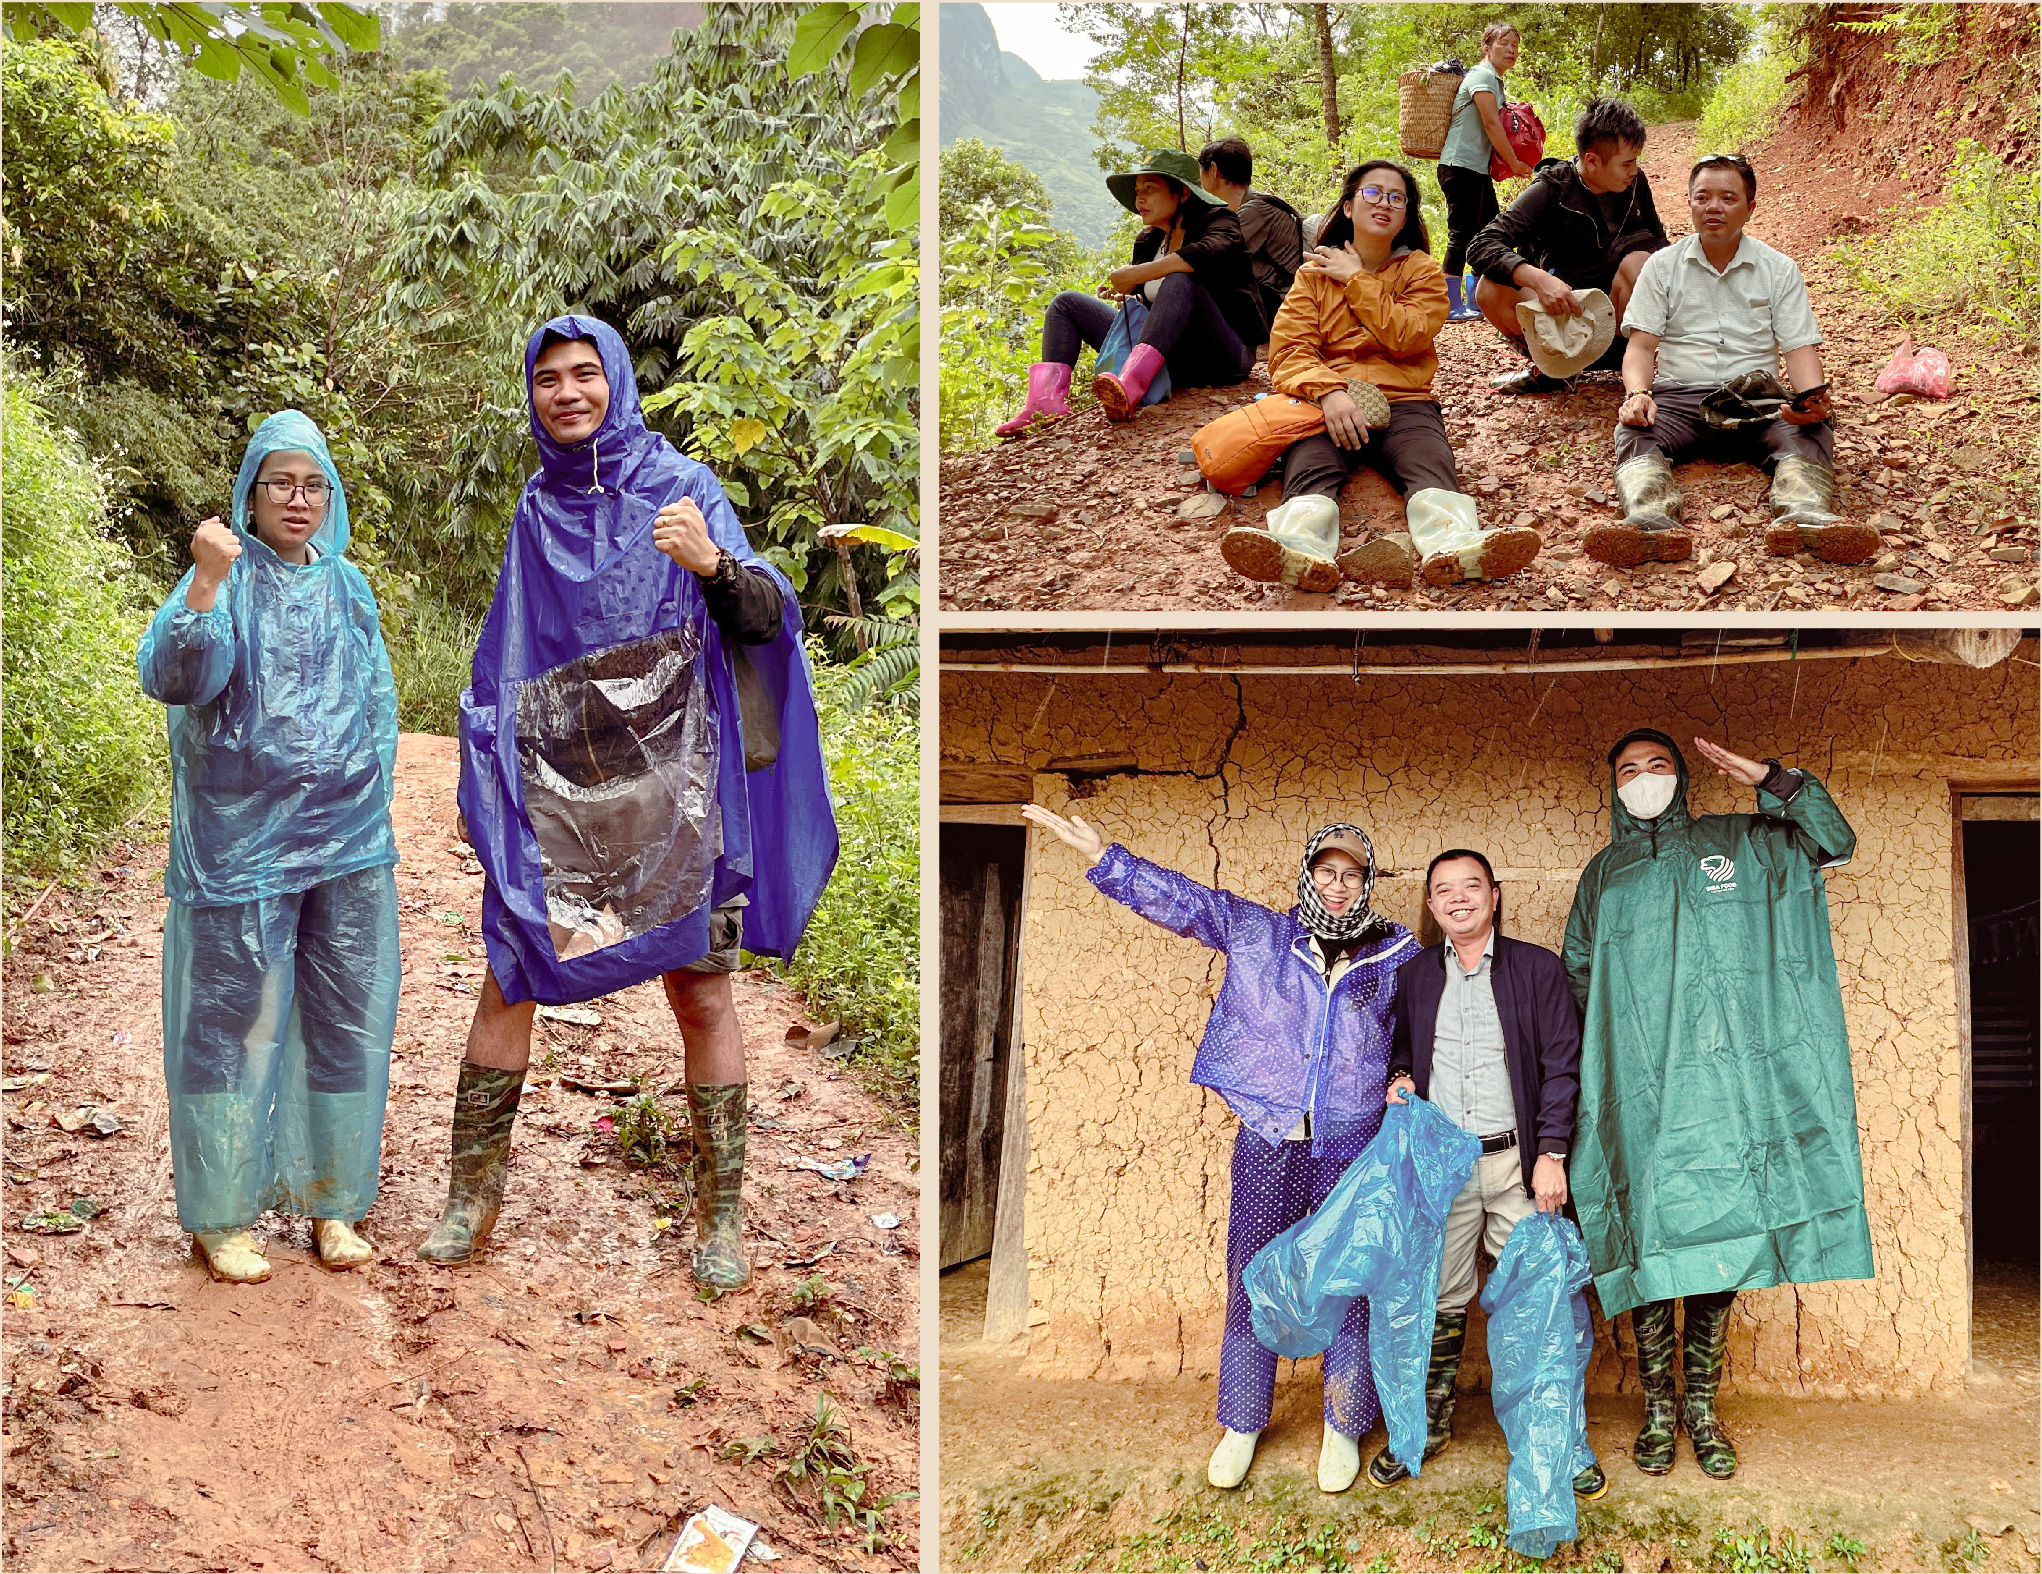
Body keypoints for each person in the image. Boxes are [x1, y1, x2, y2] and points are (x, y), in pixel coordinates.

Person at [419, 316, 838, 1292]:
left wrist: (710, 563)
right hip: (571, 792)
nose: (567, 393)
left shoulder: (683, 486)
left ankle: (719, 1216)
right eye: (548, 379)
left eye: (583, 374)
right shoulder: (535, 508)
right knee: (510, 969)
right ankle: (468, 1199)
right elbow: (510, 655)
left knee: (698, 991)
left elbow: (770, 614)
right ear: (532, 397)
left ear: (615, 380)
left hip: (683, 790)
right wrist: (490, 778)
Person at [1019, 806, 1418, 1496]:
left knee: (1351, 1276)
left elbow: (1416, 1030)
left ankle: (1345, 1423)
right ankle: (1241, 1420)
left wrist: (1404, 1078)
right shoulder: (1262, 933)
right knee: (1252, 1271)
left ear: (1369, 882)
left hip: (1354, 1140)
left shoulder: (1394, 955)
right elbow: (1185, 904)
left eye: (1352, 875)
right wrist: (1106, 855)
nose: (1338, 885)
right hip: (1268, 1133)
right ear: (1308, 873)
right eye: (1327, 870)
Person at [1563, 730, 1873, 1480]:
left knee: (1721, 1247)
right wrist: (1609, 1068)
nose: (1644, 779)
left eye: (1658, 765)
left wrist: (1773, 779)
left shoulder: (1742, 842)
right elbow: (1580, 971)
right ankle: (1658, 1410)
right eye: (1628, 770)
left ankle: (1702, 1406)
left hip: (1732, 1097)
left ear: (1683, 776)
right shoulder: (1604, 873)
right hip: (1641, 1094)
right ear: (1613, 786)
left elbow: (1834, 842)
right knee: (1649, 1244)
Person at [136, 411, 400, 1284]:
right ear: (250, 494)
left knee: (344, 1020)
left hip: (347, 842)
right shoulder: (223, 578)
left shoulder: (349, 588)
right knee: (226, 1023)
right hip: (237, 843)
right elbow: (175, 678)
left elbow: (378, 708)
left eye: (313, 483)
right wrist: (206, 584)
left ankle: (333, 1202)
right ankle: (222, 1216)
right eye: (281, 481)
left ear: (332, 497)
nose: (298, 498)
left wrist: (368, 799)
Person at [1371, 851, 1603, 1500]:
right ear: (1431, 904)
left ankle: (1555, 1439)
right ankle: (1433, 1423)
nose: (1458, 898)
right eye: (1443, 890)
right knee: (1437, 1301)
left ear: (1494, 896)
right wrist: (1400, 1079)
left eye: (1471, 886)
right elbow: (1406, 1050)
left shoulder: (1536, 969)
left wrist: (1551, 1151)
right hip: (1442, 1167)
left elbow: (1564, 1064)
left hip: (1517, 1164)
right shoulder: (1418, 974)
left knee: (1540, 1302)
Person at [1222, 160, 1542, 592]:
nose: (1384, 204)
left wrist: (1354, 279)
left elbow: (1407, 336)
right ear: (1349, 207)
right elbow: (1289, 350)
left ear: (1405, 216)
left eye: (1397, 198)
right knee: (1312, 467)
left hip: (1405, 399)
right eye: (1372, 193)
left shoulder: (1422, 272)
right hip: (1328, 402)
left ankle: (1454, 546)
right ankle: (1300, 549)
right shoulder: (1312, 276)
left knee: (1428, 465)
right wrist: (1331, 392)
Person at [1595, 153, 1871, 568]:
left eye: (1728, 197)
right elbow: (1641, 346)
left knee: (1810, 431)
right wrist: (1637, 394)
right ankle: (1649, 521)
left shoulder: (1779, 269)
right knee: (1635, 431)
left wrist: (1811, 400)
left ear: (1750, 207)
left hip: (1757, 400)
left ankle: (1805, 516)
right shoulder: (1660, 266)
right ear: (1688, 203)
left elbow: (1798, 348)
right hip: (1679, 398)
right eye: (1702, 197)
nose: (1714, 207)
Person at [995, 149, 1264, 435]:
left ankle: (1131, 384)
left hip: (1223, 356)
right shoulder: (1150, 240)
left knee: (1179, 279)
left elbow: (1205, 254)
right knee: (1066, 304)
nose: (1140, 200)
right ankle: (1044, 404)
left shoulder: (1219, 222)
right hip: (1174, 359)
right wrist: (1131, 296)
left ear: (1183, 193)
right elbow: (1158, 306)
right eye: (1137, 192)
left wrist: (1138, 273)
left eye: (1150, 189)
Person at [1466, 98, 1669, 393]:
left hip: (1620, 324)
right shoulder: (1552, 189)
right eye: (1627, 162)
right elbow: (1482, 244)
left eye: (1635, 161)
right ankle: (1552, 365)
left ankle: (1634, 357)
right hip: (1566, 314)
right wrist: (1539, 279)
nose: (1634, 170)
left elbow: (1660, 240)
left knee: (1643, 263)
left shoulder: (1635, 184)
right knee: (1490, 288)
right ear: (1592, 161)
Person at [1436, 22, 1535, 324]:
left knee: (1490, 232)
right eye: (1504, 44)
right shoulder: (1481, 75)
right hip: (1459, 165)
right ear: (1486, 48)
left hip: (1475, 170)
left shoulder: (1493, 79)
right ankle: (1450, 304)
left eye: (1515, 46)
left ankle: (1477, 298)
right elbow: (1492, 124)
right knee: (1462, 234)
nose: (1511, 50)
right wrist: (1515, 163)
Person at [1199, 137, 1306, 333]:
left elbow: (1208, 259)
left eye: (1201, 170)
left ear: (1213, 170)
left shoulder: (1254, 211)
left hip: (1280, 304)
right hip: (1272, 301)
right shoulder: (1248, 205)